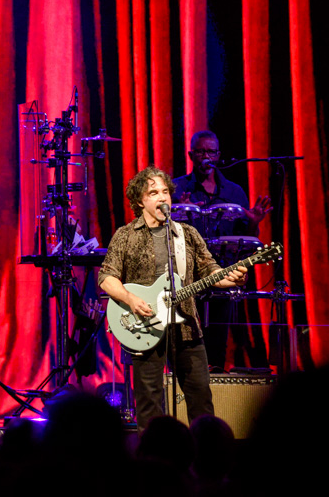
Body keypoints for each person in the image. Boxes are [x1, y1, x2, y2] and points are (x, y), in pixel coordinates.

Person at [98, 166, 247, 432]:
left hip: (186, 327)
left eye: (165, 191)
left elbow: (210, 271)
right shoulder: (126, 235)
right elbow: (107, 277)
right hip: (144, 327)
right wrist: (131, 300)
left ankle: (203, 461)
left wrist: (231, 277)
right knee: (150, 402)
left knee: (201, 397)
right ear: (140, 200)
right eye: (153, 192)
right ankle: (155, 461)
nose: (162, 197)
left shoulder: (186, 234)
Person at [172, 129, 272, 369]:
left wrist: (253, 221)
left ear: (218, 155)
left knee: (217, 345)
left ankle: (215, 394)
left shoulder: (234, 192)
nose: (206, 156)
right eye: (201, 151)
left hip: (222, 277)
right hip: (187, 280)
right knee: (186, 344)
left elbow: (245, 240)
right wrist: (180, 213)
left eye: (211, 152)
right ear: (191, 155)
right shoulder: (176, 188)